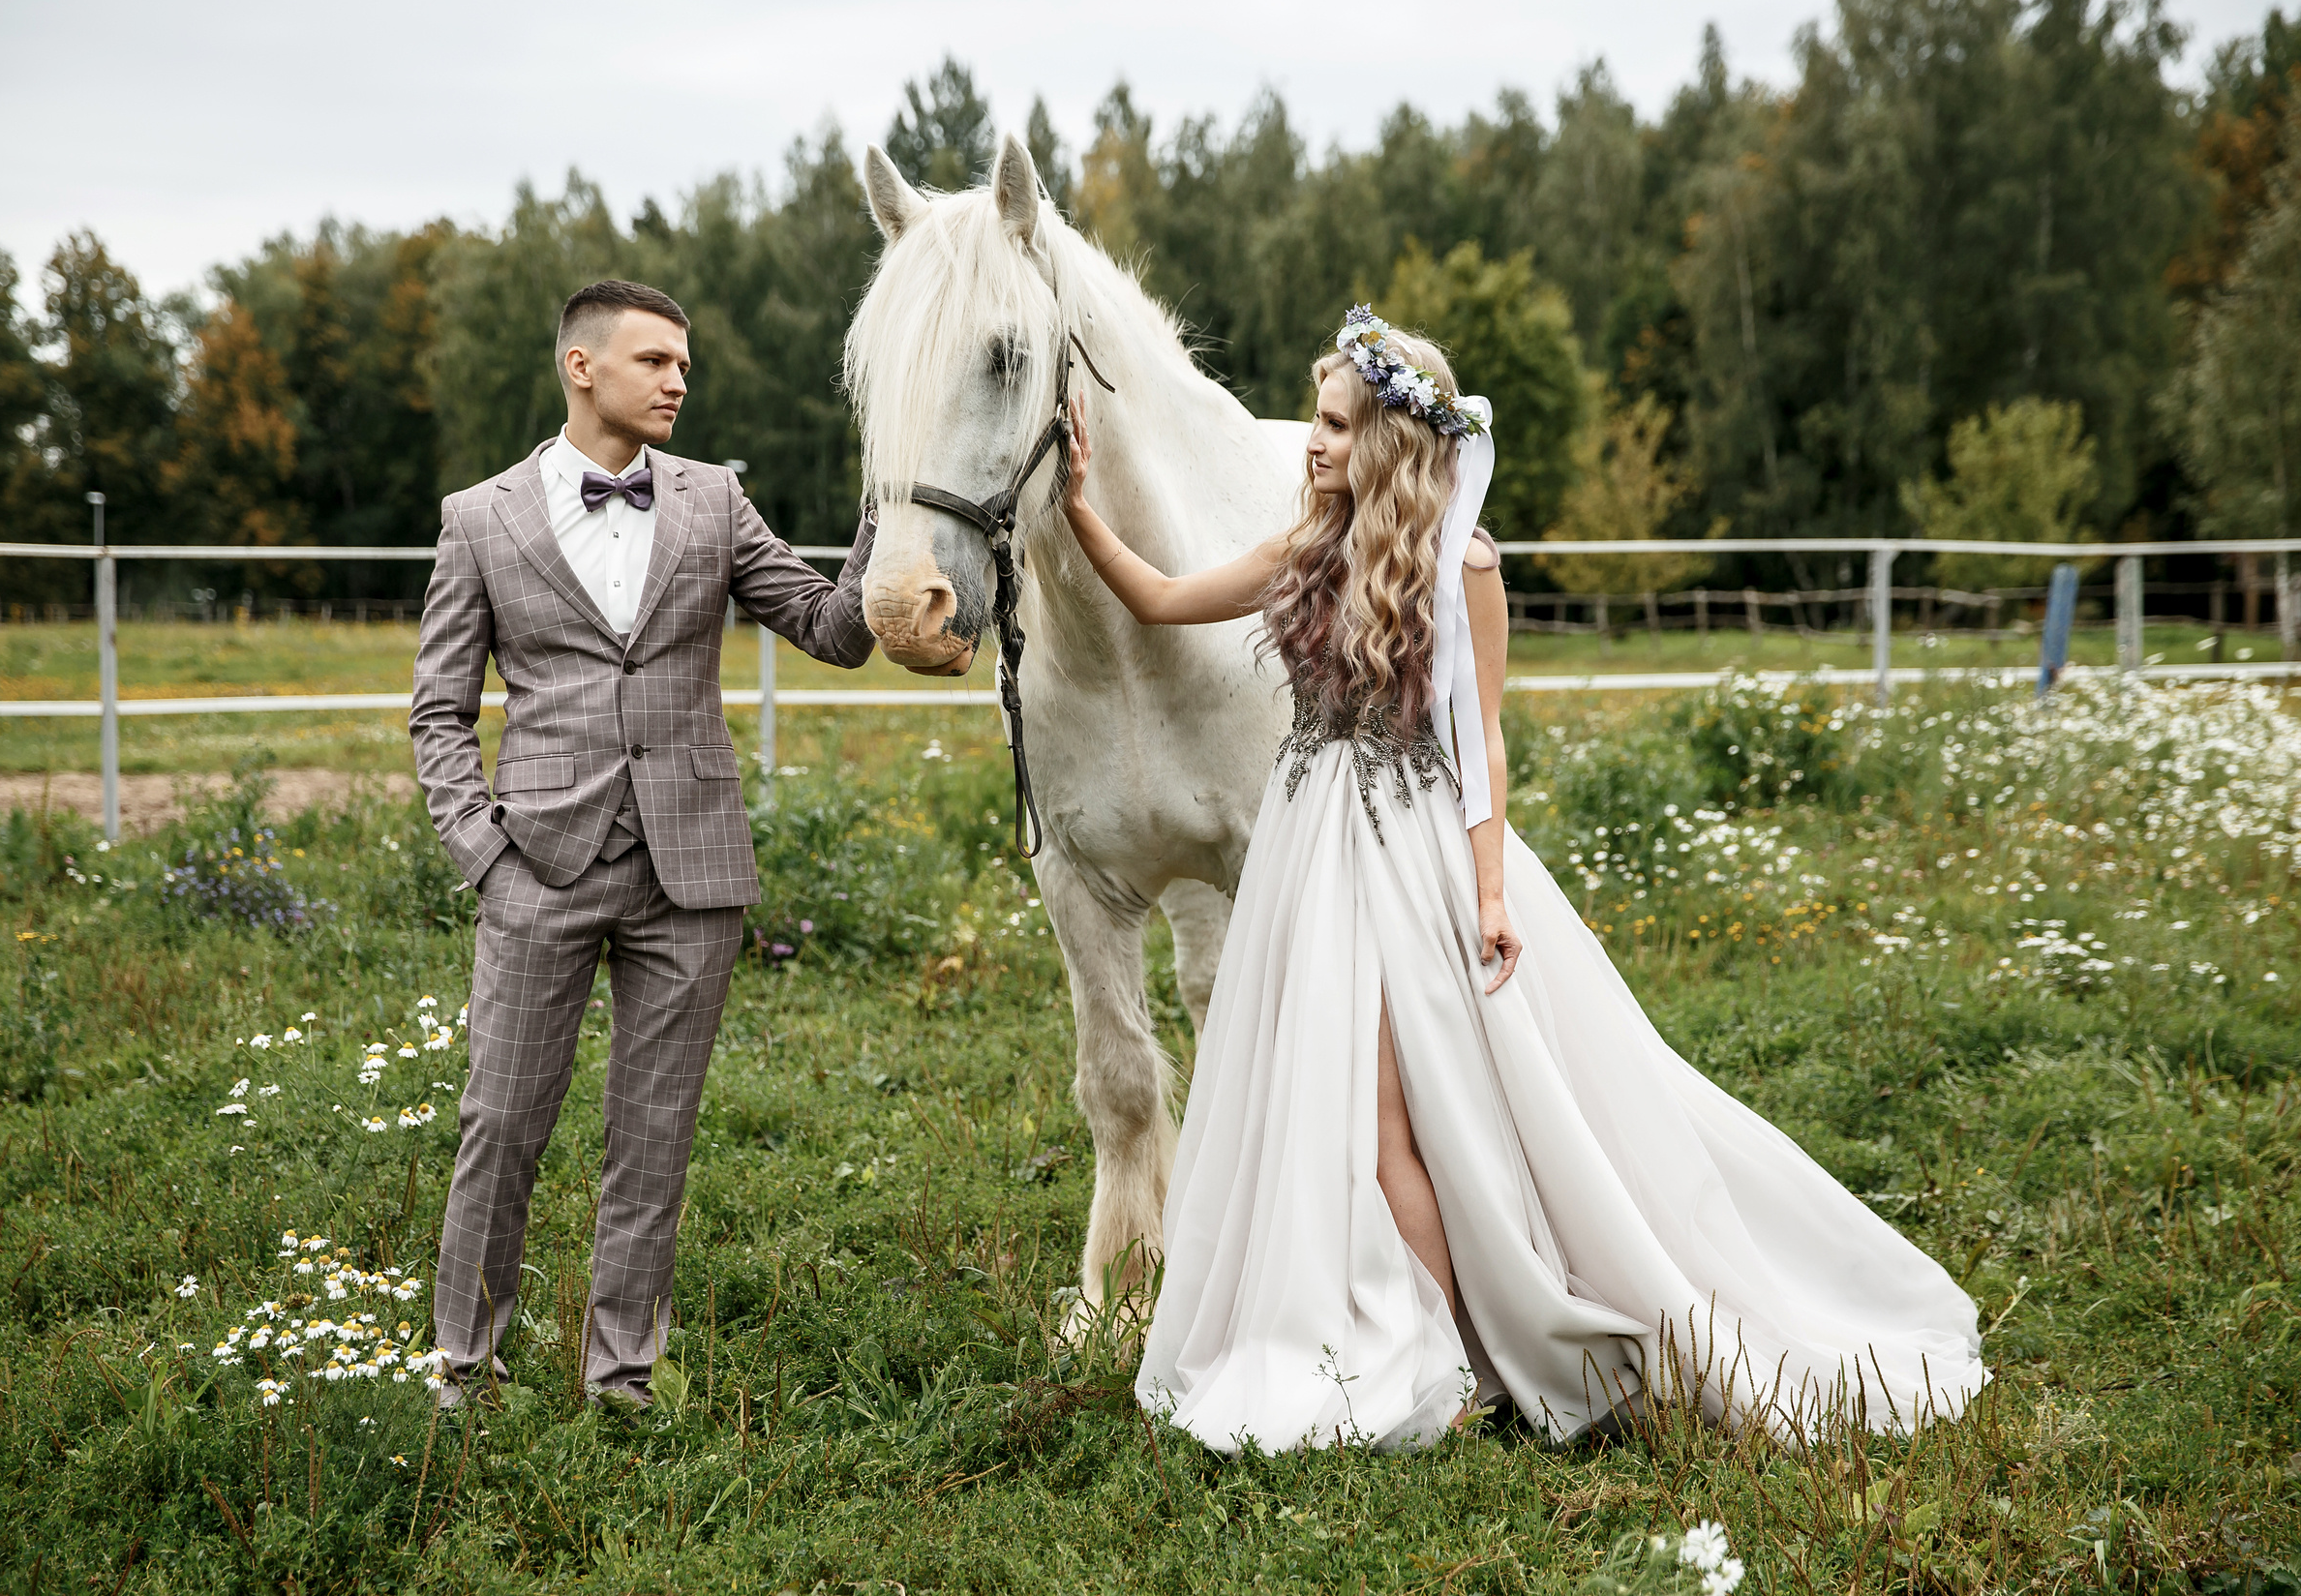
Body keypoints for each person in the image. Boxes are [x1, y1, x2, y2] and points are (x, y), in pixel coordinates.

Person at [1061, 307, 1986, 1451]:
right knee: (1332, 1106)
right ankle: (1398, 1333)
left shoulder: (1462, 565)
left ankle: (1452, 1363)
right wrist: (1078, 507)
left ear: (1391, 441)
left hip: (1407, 849)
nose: (1314, 441)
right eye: (1317, 419)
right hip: (1307, 850)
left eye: (1337, 425)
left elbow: (1482, 738)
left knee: (1403, 1116)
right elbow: (1159, 598)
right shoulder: (1302, 549)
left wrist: (1492, 892)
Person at [409, 279, 877, 1407]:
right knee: (500, 1126)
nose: (677, 382)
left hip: (692, 870)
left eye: (683, 365)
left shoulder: (716, 501)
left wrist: (888, 510)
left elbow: (831, 631)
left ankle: (620, 1383)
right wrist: (484, 855)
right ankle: (465, 1372)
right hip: (538, 867)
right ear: (581, 366)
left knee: (653, 1140)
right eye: (654, 361)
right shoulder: (479, 518)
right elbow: (438, 712)